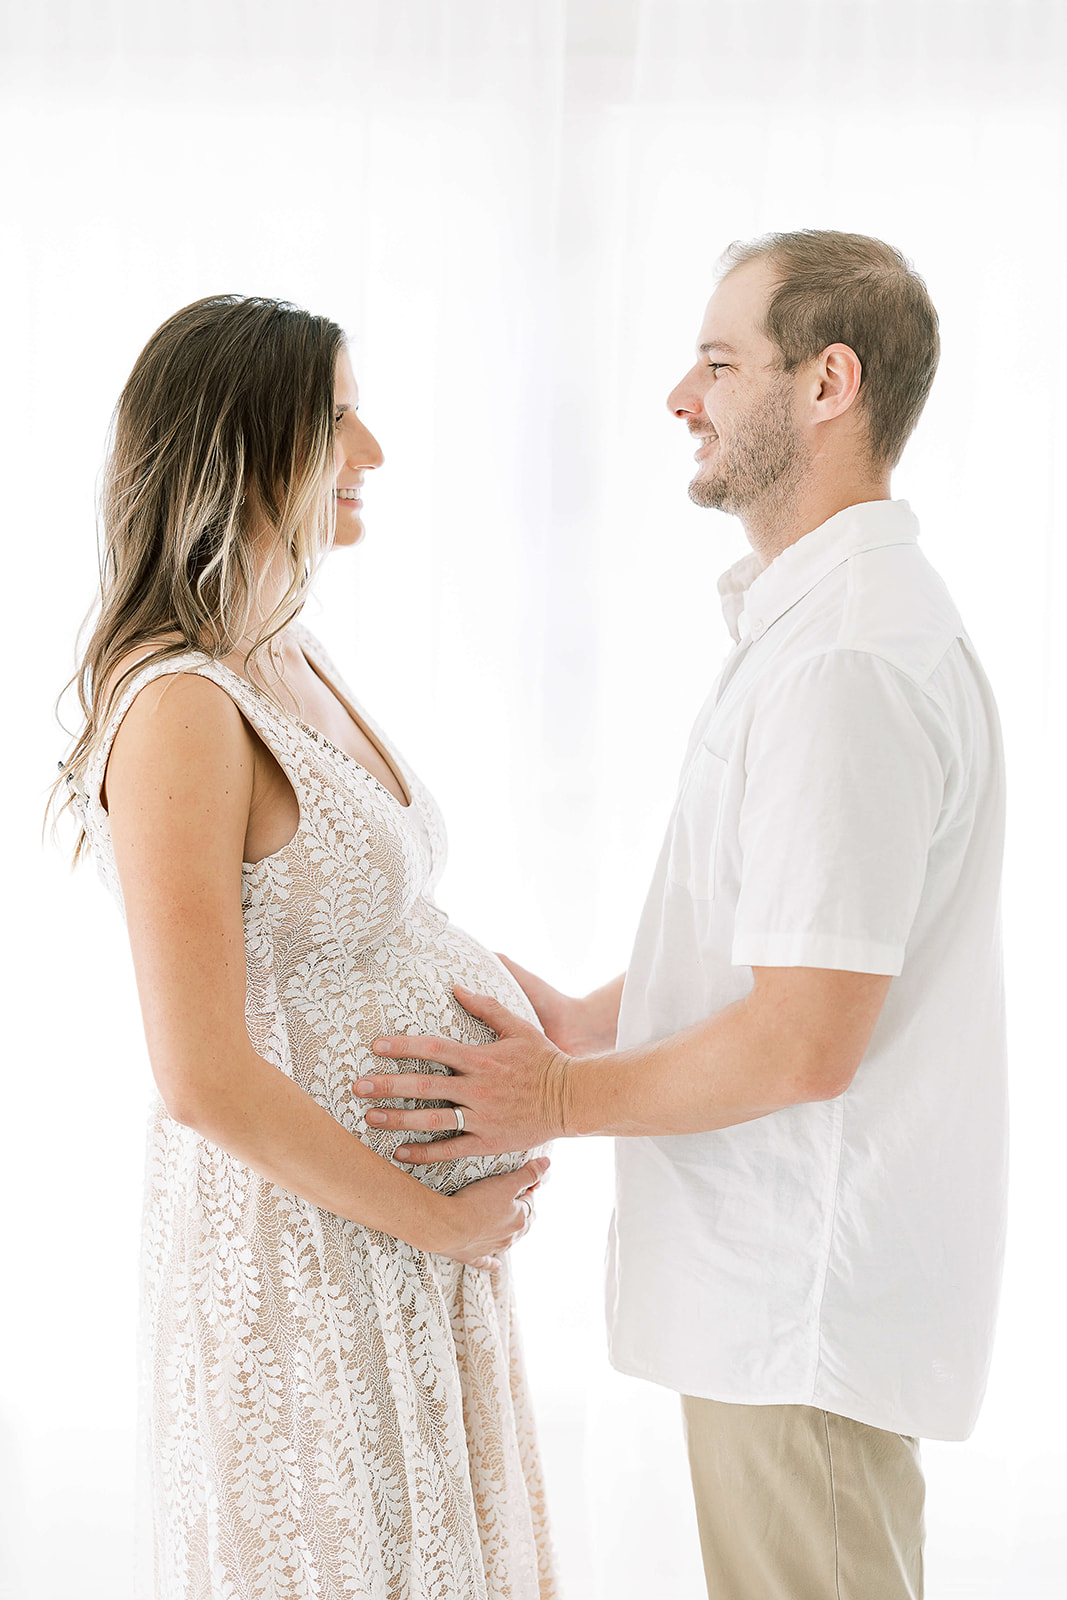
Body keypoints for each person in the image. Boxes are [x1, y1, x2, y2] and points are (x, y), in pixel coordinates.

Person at [353, 230, 1008, 1600]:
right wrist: (530, 1006)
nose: (679, 398)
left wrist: (554, 1098)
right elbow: (761, 975)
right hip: (777, 1317)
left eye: (718, 362)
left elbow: (802, 1042)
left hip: (797, 1319)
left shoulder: (846, 661)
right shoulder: (817, 630)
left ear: (829, 385)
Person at [56, 294, 556, 1600]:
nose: (373, 451)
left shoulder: (290, 653)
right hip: (306, 1255)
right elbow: (202, 1075)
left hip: (391, 1247)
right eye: (338, 418)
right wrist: (435, 1224)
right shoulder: (179, 706)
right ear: (244, 448)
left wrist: (591, 1027)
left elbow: (382, 926)